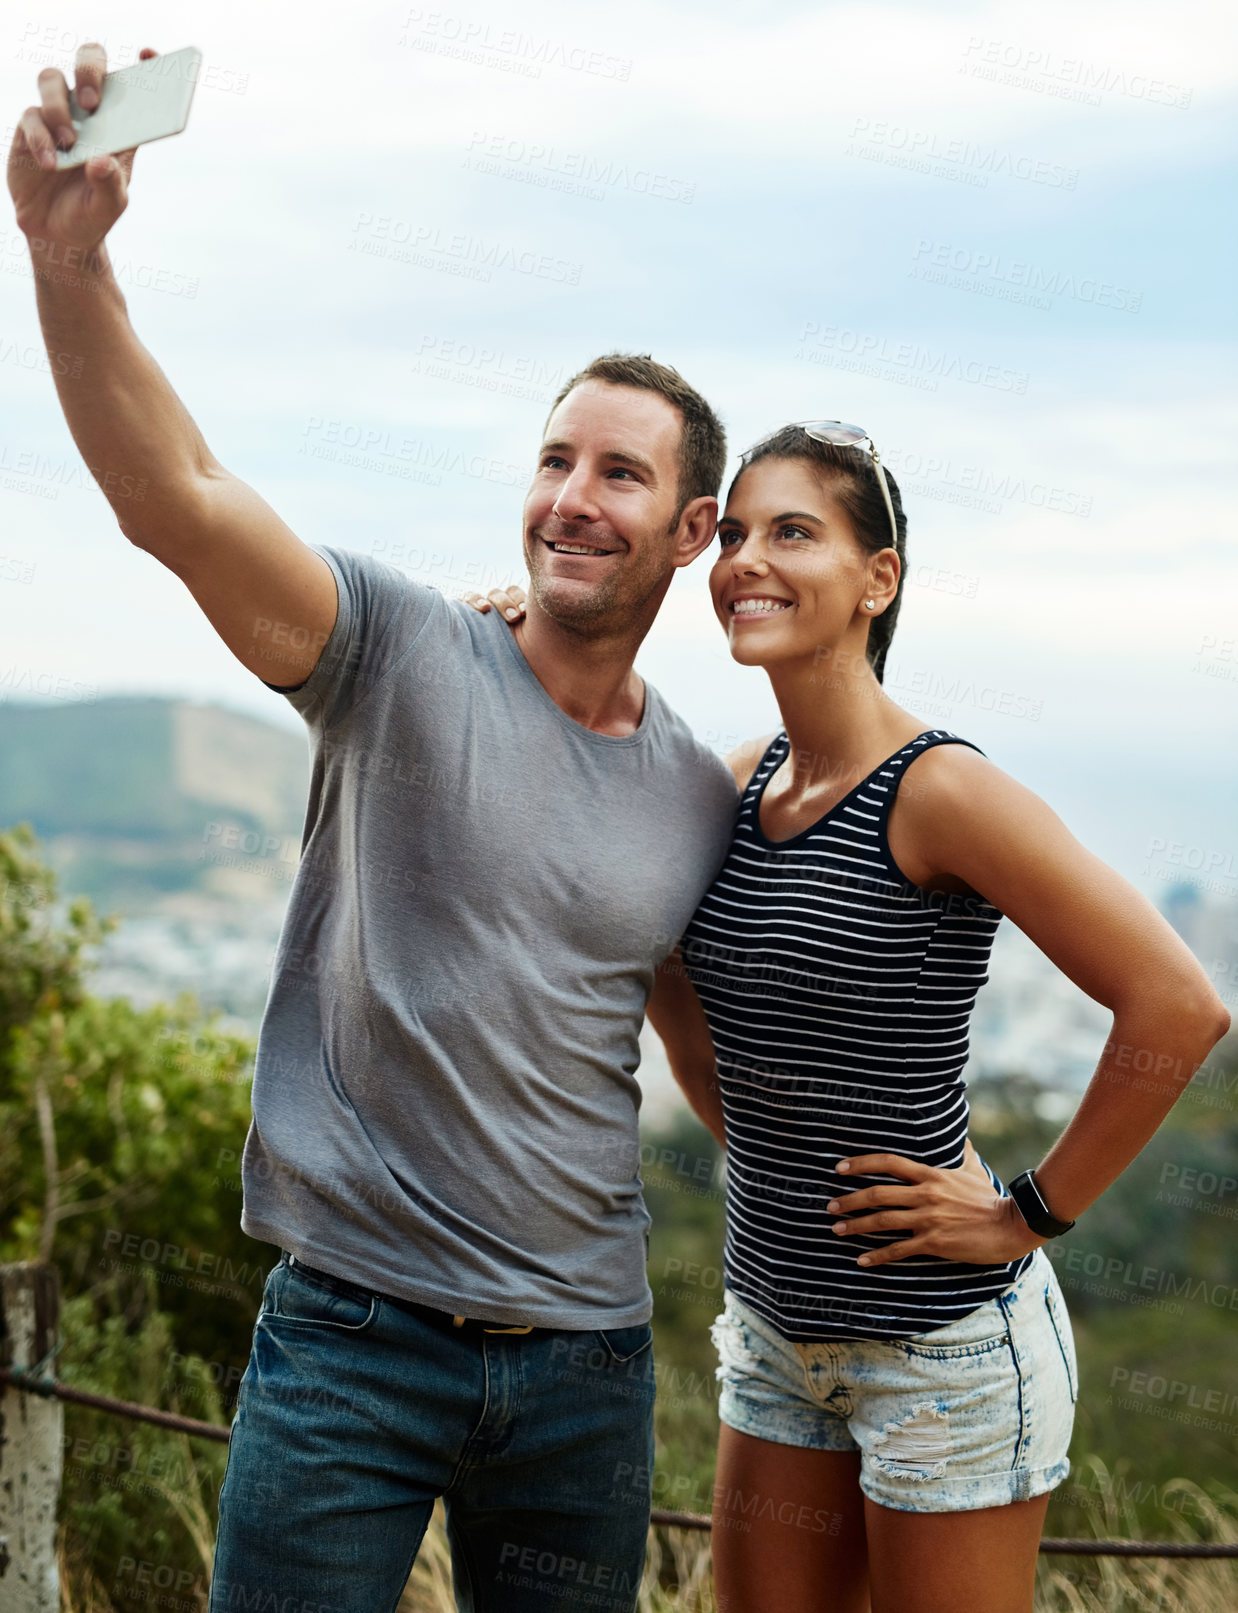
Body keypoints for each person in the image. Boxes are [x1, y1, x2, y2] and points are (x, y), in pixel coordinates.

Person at [8, 43, 742, 1613]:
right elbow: (179, 498)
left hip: (585, 1366)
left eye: (621, 472)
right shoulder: (402, 652)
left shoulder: (699, 792)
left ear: (690, 531)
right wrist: (69, 264)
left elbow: (707, 1052)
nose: (571, 496)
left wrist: (927, 1222)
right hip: (349, 1343)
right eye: (555, 458)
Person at [474, 421, 1231, 1613]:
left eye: (792, 532)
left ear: (875, 578)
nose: (745, 560)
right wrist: (505, 640)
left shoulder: (939, 790)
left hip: (942, 1348)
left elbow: (1177, 1005)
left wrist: (1026, 1211)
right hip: (774, 1330)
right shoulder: (728, 784)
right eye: (731, 533)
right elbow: (654, 963)